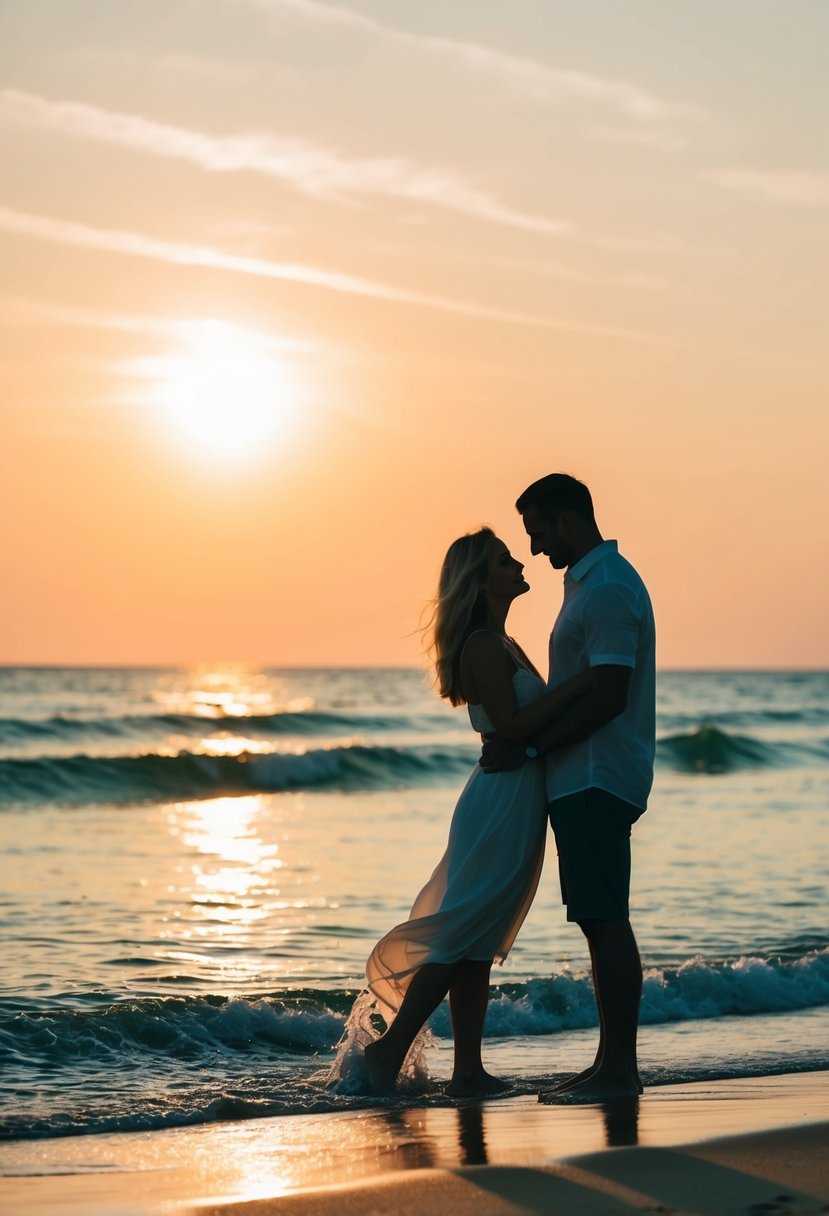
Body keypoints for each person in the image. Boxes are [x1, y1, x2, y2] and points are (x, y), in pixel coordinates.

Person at [333, 526, 591, 1096]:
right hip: (501, 799)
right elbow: (517, 724)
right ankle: (388, 1051)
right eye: (504, 560)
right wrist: (582, 688)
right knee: (460, 937)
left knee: (476, 939)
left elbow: (522, 726)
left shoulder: (503, 641)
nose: (518, 563)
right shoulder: (481, 643)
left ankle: (467, 1072)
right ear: (480, 580)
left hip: (515, 794)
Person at [482, 473, 656, 1103]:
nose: (534, 549)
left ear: (568, 520)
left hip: (596, 775)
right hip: (584, 776)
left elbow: (609, 696)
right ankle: (610, 1064)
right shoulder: (586, 585)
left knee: (605, 918)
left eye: (538, 532)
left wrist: (530, 746)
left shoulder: (607, 589)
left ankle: (618, 1071)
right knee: (597, 918)